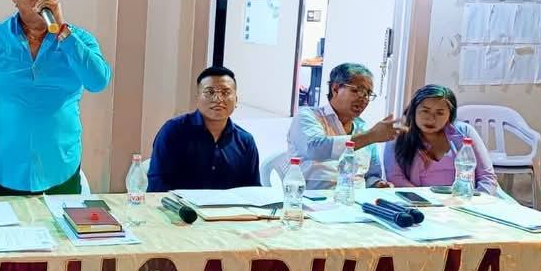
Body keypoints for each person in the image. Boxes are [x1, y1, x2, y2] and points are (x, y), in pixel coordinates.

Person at [0, 0, 111, 196]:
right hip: (6, 170)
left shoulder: (80, 40)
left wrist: (63, 33)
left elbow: (98, 81)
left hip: (60, 170)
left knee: (63, 224)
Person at [287, 62, 403, 190]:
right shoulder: (308, 116)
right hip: (314, 198)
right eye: (357, 91)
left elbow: (372, 175)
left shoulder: (363, 128)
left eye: (368, 94)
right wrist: (371, 136)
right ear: (335, 89)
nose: (364, 98)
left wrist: (378, 183)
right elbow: (314, 149)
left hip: (356, 199)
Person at [147, 66, 260, 192]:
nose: (218, 99)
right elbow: (157, 184)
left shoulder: (245, 141)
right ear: (197, 98)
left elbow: (253, 190)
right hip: (178, 205)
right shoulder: (173, 131)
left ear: (236, 100)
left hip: (228, 205)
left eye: (225, 92)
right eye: (210, 92)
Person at [384, 84, 498, 194]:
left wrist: (475, 202)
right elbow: (395, 178)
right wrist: (424, 201)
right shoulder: (398, 136)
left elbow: (487, 177)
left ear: (449, 115)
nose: (431, 119)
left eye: (440, 113)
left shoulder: (465, 132)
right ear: (413, 111)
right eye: (425, 111)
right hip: (419, 202)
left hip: (464, 201)